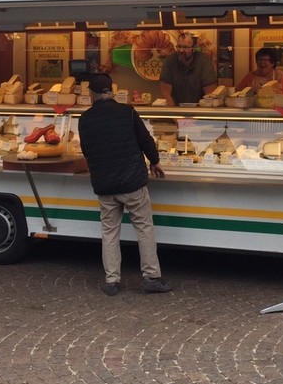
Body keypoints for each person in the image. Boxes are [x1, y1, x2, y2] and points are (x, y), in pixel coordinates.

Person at [78, 72, 172, 295]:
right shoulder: (127, 112)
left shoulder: (85, 119)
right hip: (132, 183)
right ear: (111, 92)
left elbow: (87, 151)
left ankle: (112, 281)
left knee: (110, 233)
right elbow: (146, 141)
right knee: (144, 229)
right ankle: (151, 277)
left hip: (105, 185)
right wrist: (155, 162)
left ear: (91, 95)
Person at [159, 32, 217, 105]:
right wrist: (173, 113)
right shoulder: (170, 60)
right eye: (179, 46)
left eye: (185, 47)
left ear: (194, 49)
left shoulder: (204, 62)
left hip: (199, 110)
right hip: (176, 109)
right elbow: (165, 93)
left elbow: (210, 95)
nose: (181, 50)